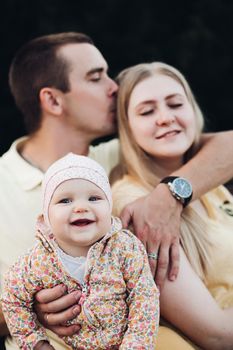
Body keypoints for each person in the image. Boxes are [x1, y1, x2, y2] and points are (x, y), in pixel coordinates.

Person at [0, 32, 233, 350]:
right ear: (53, 100)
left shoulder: (114, 157)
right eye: (97, 78)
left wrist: (170, 194)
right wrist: (29, 304)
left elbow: (226, 146)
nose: (114, 87)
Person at [111, 61, 233, 349]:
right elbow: (217, 335)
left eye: (176, 104)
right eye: (147, 111)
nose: (165, 118)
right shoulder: (133, 205)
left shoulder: (206, 181)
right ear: (126, 127)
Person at [2, 153, 159, 350]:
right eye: (65, 201)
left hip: (126, 342)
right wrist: (36, 342)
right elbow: (12, 299)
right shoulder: (37, 260)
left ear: (109, 206)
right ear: (47, 215)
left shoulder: (124, 248)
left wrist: (135, 345)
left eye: (94, 198)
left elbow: (144, 297)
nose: (81, 207)